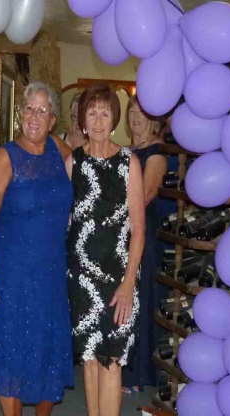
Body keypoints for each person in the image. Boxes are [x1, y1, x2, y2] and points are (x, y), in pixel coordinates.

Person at [0, 81, 74, 416]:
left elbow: (81, 174)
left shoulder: (59, 150)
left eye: (42, 110)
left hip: (50, 275)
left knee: (48, 352)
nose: (34, 115)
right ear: (20, 114)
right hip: (12, 276)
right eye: (29, 108)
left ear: (52, 120)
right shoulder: (7, 157)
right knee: (13, 354)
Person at [65, 83, 145, 416]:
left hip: (118, 279)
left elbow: (139, 229)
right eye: (92, 112)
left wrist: (128, 285)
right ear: (82, 120)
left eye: (105, 112)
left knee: (111, 359)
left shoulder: (129, 163)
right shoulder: (73, 163)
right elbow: (65, 222)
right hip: (81, 278)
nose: (98, 120)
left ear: (114, 120)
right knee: (88, 357)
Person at [121, 95, 169, 394]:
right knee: (126, 297)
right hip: (123, 232)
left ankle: (141, 375)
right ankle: (125, 368)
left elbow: (147, 193)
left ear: (154, 118)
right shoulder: (127, 150)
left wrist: (113, 214)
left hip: (146, 233)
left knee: (143, 298)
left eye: (141, 111)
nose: (135, 115)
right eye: (131, 110)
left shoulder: (156, 152)